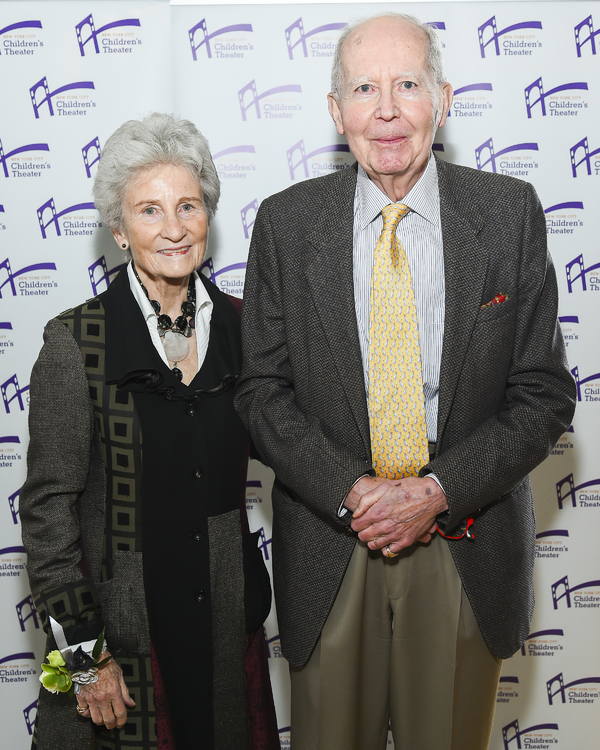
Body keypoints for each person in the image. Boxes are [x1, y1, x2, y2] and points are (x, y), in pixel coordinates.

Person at [235, 13, 576, 750]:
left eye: (407, 85)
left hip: (463, 537)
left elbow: (544, 391)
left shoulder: (507, 213)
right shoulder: (286, 225)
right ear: (336, 112)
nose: (386, 110)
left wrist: (437, 490)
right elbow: (260, 393)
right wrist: (354, 492)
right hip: (333, 540)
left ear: (442, 100)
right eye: (364, 87)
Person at [21, 113, 279, 750]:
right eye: (149, 210)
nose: (173, 228)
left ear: (208, 216)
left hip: (226, 624)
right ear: (117, 228)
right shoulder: (75, 342)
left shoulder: (251, 329)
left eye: (188, 205)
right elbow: (49, 510)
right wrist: (86, 655)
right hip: (124, 637)